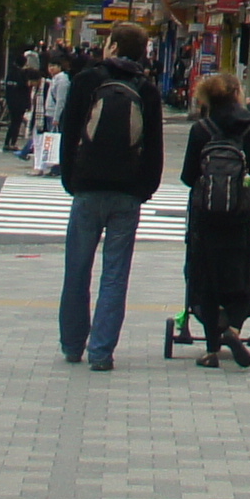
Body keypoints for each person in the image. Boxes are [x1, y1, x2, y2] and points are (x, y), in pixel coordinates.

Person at [54, 25, 165, 369]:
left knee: (77, 269)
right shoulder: (146, 89)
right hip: (127, 192)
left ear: (113, 46)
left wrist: (71, 179)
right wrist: (144, 188)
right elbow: (155, 147)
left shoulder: (87, 81)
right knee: (115, 275)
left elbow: (69, 130)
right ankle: (101, 352)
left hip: (87, 188)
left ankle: (73, 345)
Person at [181, 69, 250, 365]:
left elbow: (187, 176)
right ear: (237, 94)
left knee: (205, 277)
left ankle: (211, 348)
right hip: (244, 217)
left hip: (206, 217)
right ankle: (234, 328)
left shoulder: (202, 129)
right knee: (244, 276)